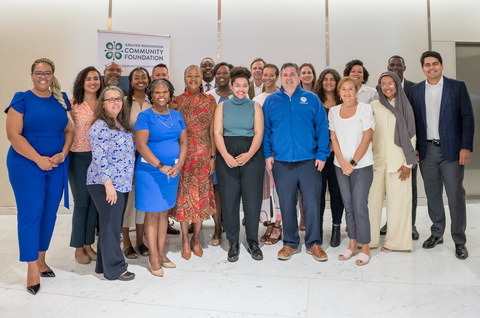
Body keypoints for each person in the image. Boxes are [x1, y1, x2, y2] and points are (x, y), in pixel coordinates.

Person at [6, 58, 73, 295]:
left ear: (53, 74)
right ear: (31, 75)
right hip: (26, 164)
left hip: (55, 165)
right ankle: (32, 268)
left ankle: (42, 259)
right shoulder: (21, 99)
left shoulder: (61, 99)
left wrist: (63, 154)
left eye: (47, 72)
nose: (42, 76)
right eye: (38, 72)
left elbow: (69, 130)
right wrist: (38, 159)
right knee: (30, 214)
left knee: (49, 213)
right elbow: (14, 135)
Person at [409, 51, 474, 260]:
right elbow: (415, 123)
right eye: (427, 65)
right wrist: (416, 147)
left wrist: (466, 147)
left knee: (455, 195)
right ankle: (437, 233)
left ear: (442, 66)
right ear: (422, 68)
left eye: (435, 64)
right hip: (427, 151)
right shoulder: (416, 91)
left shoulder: (457, 87)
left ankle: (459, 240)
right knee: (433, 194)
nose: (431, 68)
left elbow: (468, 118)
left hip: (453, 151)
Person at [263, 63, 330, 262]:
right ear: (280, 78)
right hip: (282, 162)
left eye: (293, 74)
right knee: (286, 203)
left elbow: (322, 127)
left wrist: (322, 154)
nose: (289, 77)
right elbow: (266, 130)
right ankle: (290, 243)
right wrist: (267, 154)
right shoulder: (271, 101)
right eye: (285, 75)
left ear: (299, 77)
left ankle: (314, 243)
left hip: (309, 161)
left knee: (312, 203)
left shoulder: (312, 99)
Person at [135, 79, 187, 276]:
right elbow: (141, 145)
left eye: (165, 91)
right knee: (152, 213)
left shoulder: (177, 115)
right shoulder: (145, 116)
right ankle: (153, 256)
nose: (161, 95)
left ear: (170, 93)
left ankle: (162, 253)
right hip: (150, 172)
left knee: (164, 212)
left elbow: (183, 141)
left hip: (172, 172)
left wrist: (179, 164)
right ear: (151, 95)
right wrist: (160, 166)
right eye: (157, 92)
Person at [214, 66, 265, 262]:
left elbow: (259, 132)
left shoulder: (255, 106)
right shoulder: (222, 106)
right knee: (229, 200)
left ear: (248, 86)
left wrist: (249, 154)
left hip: (251, 152)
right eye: (238, 85)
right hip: (226, 152)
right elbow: (217, 133)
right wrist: (225, 154)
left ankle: (252, 241)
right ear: (232, 86)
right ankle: (233, 242)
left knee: (252, 200)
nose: (241, 89)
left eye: (245, 85)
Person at [87, 86, 135, 281]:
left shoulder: (120, 124)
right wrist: (108, 185)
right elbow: (100, 158)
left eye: (118, 99)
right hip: (105, 184)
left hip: (120, 183)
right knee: (111, 226)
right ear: (102, 104)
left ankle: (103, 266)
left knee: (109, 224)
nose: (116, 102)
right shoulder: (100, 126)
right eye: (111, 99)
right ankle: (115, 269)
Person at [171, 65, 216, 259]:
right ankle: (184, 239)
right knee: (184, 199)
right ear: (184, 78)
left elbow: (213, 131)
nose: (193, 78)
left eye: (196, 75)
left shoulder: (210, 100)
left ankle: (196, 238)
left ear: (201, 79)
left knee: (201, 199)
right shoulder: (176, 102)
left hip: (204, 155)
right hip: (184, 156)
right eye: (189, 75)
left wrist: (213, 156)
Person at [329, 76, 375, 266]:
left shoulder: (365, 109)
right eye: (343, 89)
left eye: (350, 89)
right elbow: (334, 139)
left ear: (356, 91)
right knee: (348, 205)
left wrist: (353, 162)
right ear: (339, 92)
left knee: (359, 205)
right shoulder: (333, 111)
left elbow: (367, 138)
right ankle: (352, 244)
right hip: (341, 167)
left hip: (361, 166)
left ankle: (365, 247)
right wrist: (341, 161)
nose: (347, 93)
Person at [368, 71, 416, 252]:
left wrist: (408, 163)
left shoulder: (405, 105)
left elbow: (412, 136)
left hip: (399, 163)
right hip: (375, 162)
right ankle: (369, 240)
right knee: (371, 202)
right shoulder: (373, 105)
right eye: (383, 83)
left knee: (399, 203)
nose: (387, 86)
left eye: (390, 83)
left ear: (396, 84)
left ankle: (396, 242)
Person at [380, 55, 419, 240]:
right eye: (391, 65)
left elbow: (419, 118)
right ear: (388, 67)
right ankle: (391, 223)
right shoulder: (381, 90)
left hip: (409, 147)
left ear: (405, 67)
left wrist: (414, 148)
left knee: (409, 188)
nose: (395, 67)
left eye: (398, 65)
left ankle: (409, 225)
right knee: (391, 190)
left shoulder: (415, 88)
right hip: (388, 150)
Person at [69, 66, 102, 264]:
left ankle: (89, 244)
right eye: (88, 78)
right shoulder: (72, 104)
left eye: (96, 78)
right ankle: (78, 247)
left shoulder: (104, 103)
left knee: (94, 204)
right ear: (82, 82)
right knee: (81, 204)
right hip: (78, 157)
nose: (92, 82)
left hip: (99, 159)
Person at [121, 67, 152, 259]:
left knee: (144, 201)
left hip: (150, 159)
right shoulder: (123, 103)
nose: (140, 80)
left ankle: (140, 241)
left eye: (144, 77)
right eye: (136, 77)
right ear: (131, 82)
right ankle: (127, 242)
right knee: (129, 201)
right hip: (129, 157)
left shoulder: (154, 102)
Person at [313, 69, 344, 247]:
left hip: (338, 156)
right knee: (317, 194)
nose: (329, 82)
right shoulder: (315, 101)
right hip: (319, 156)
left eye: (332, 79)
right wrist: (324, 148)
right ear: (321, 82)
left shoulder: (343, 101)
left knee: (336, 194)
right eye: (325, 79)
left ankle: (336, 228)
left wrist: (334, 147)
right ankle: (317, 229)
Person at [253, 63, 282, 245]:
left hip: (280, 150)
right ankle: (269, 222)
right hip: (263, 151)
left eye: (272, 75)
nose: (268, 78)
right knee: (266, 189)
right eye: (265, 75)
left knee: (279, 189)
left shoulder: (282, 96)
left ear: (277, 77)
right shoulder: (257, 99)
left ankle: (278, 224)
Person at [206, 62, 234, 245]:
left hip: (232, 147)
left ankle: (230, 225)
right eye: (218, 73)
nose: (221, 75)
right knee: (216, 189)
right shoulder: (209, 97)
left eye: (225, 73)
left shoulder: (239, 94)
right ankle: (217, 227)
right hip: (213, 148)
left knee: (230, 189)